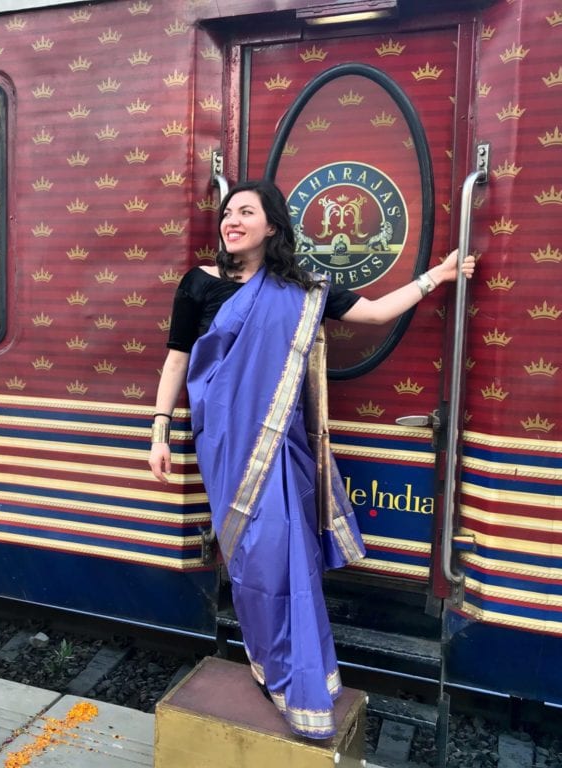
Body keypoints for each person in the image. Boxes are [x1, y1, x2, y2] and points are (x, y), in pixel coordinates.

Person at [148, 179, 475, 740]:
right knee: (249, 561)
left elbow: (372, 313)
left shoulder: (299, 288)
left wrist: (434, 278)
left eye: (246, 212)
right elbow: (178, 360)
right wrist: (158, 429)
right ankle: (268, 661)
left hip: (279, 445)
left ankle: (291, 675)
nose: (232, 219)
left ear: (271, 226)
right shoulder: (198, 284)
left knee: (282, 555)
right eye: (228, 212)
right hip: (224, 445)